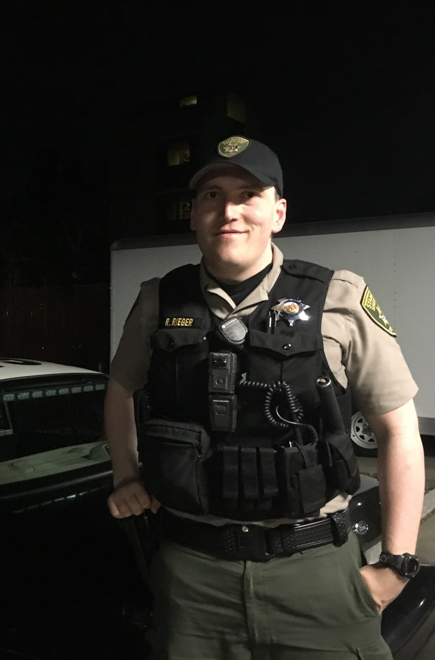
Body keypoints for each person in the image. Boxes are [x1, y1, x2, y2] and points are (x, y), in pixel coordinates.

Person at [105, 135, 425, 659]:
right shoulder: (157, 301)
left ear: (278, 213)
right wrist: (125, 475)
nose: (229, 210)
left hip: (316, 573)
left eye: (248, 194)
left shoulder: (338, 298)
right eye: (212, 195)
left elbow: (399, 431)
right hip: (192, 578)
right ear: (194, 215)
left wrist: (397, 563)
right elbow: (121, 387)